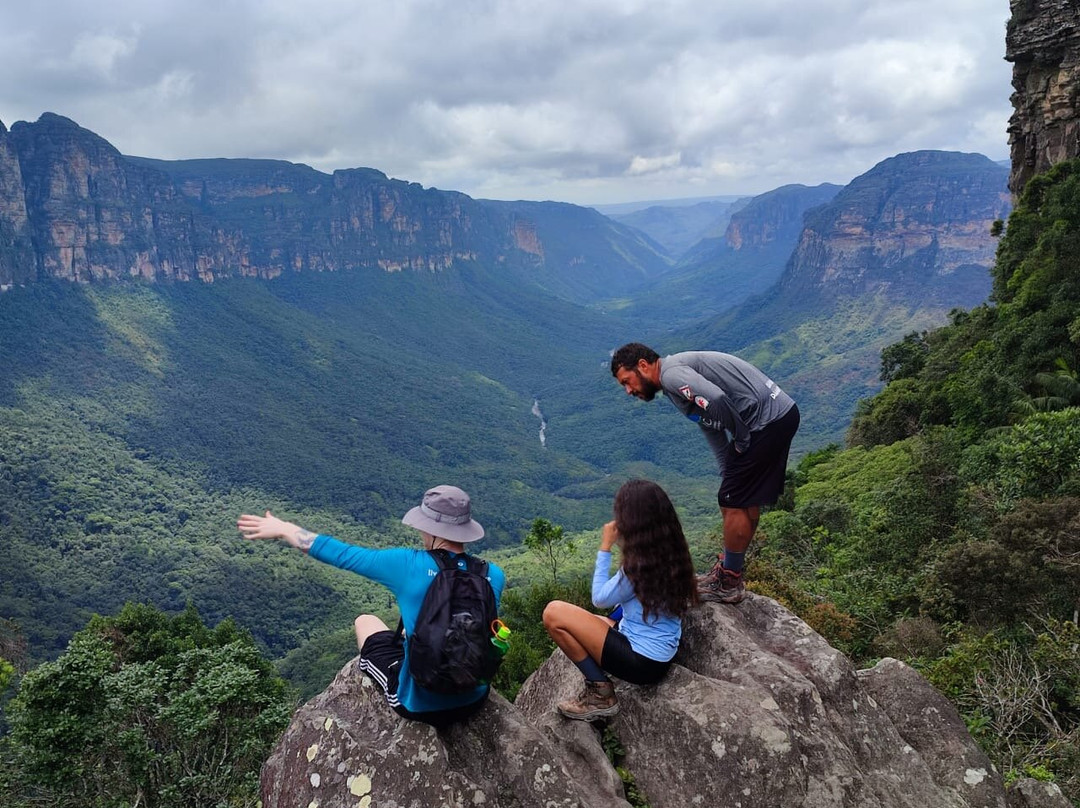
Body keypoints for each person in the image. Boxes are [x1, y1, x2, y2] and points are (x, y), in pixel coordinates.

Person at [236, 484, 505, 727]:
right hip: (473, 701)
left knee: (365, 622)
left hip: (419, 704)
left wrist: (284, 529)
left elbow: (342, 554)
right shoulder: (493, 574)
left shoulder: (406, 565)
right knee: (402, 634)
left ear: (429, 528)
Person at [610, 343, 800, 604]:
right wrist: (728, 469)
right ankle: (729, 570)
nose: (629, 390)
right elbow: (711, 425)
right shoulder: (673, 380)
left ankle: (730, 581)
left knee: (732, 500)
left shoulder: (672, 375)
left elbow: (718, 400)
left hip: (766, 422)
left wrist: (742, 439)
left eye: (627, 382)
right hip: (777, 416)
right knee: (736, 495)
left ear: (643, 365)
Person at [542, 479, 697, 721]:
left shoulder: (639, 566)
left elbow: (600, 598)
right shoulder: (672, 551)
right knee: (584, 620)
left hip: (642, 660)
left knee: (554, 613)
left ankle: (601, 694)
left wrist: (605, 547)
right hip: (657, 653)